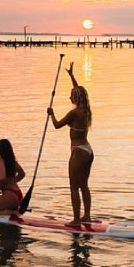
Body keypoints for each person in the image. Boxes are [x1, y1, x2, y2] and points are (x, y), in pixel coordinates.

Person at [47, 62, 93, 226]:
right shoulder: (86, 109)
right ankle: (86, 215)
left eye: (71, 95)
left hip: (78, 152)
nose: (69, 98)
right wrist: (71, 76)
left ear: (75, 98)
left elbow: (57, 125)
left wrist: (51, 114)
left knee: (74, 186)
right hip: (88, 150)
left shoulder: (74, 113)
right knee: (84, 185)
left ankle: (76, 220)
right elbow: (79, 90)